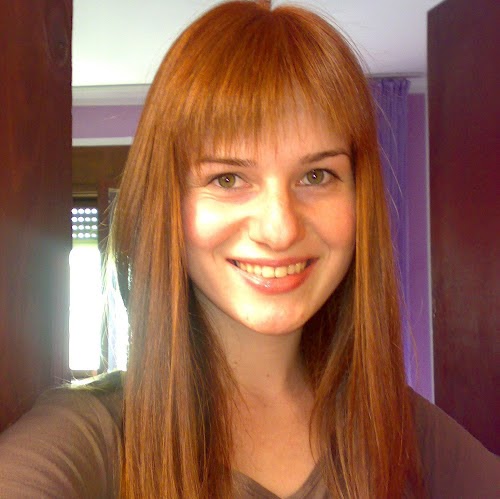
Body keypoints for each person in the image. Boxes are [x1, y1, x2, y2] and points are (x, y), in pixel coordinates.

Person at [0, 1, 498, 498]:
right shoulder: (90, 438)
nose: (279, 229)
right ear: (166, 201)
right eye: (228, 178)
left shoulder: (407, 431)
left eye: (316, 175)